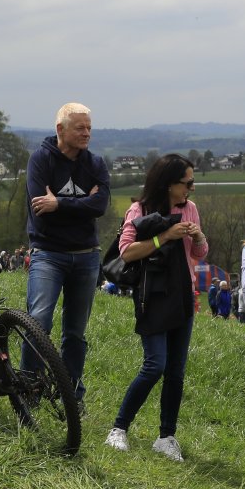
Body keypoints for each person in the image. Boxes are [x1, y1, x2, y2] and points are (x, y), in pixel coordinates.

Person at [104, 156, 205, 461]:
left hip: (183, 295)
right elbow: (126, 252)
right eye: (187, 182)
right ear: (168, 183)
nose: (191, 188)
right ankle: (118, 429)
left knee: (176, 371)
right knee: (155, 365)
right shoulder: (140, 210)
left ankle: (166, 436)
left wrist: (198, 236)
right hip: (153, 296)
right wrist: (165, 237)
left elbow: (200, 253)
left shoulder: (190, 209)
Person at [23, 102, 110, 402]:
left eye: (89, 128)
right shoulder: (40, 160)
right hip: (48, 253)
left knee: (75, 333)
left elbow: (100, 206)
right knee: (38, 322)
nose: (87, 133)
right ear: (60, 129)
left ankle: (71, 396)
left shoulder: (95, 164)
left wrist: (59, 203)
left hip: (87, 255)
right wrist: (83, 205)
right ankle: (30, 391)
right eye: (80, 128)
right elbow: (40, 211)